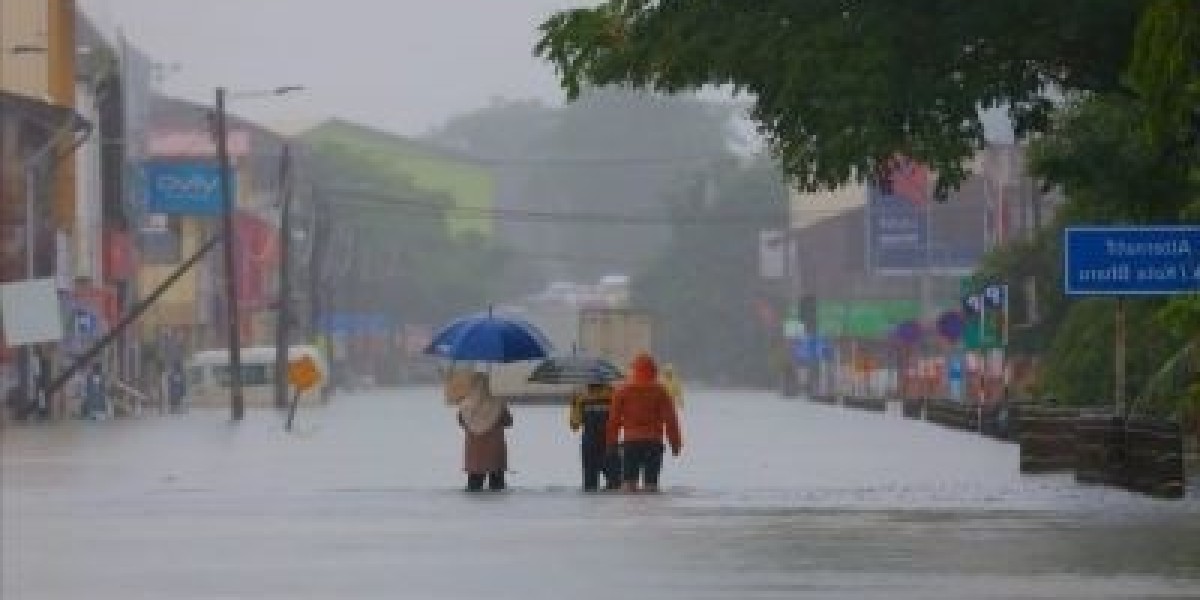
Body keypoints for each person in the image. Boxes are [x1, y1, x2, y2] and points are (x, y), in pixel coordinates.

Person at [606, 353, 683, 493]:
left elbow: (614, 420)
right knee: (651, 486)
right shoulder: (661, 391)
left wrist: (611, 443)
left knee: (628, 486)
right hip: (654, 443)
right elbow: (671, 420)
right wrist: (675, 444)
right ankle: (651, 513)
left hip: (631, 443)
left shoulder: (622, 391)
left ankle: (632, 513)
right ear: (654, 370)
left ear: (634, 370)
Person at [452, 370, 513, 491]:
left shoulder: (465, 405)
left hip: (474, 453)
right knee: (498, 487)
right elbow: (509, 422)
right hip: (495, 452)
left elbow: (461, 422)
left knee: (473, 486)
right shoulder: (497, 403)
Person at [568, 382, 620, 491]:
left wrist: (574, 404)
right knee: (616, 485)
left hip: (589, 445)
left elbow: (574, 425)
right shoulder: (614, 394)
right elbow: (622, 421)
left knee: (590, 487)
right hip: (610, 444)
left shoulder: (581, 397)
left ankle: (590, 507)